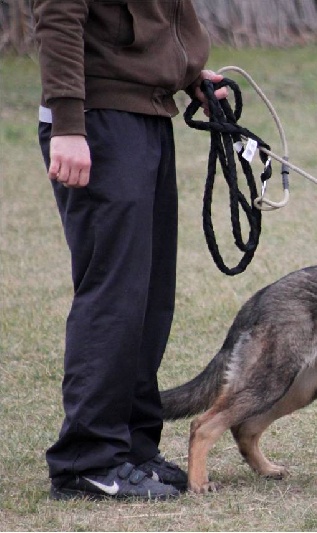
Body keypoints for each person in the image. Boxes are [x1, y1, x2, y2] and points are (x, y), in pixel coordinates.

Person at [34, 0, 227, 500]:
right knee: (114, 294)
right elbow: (58, 17)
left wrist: (187, 75)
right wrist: (68, 125)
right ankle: (88, 461)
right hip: (96, 119)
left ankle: (133, 448)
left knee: (149, 297)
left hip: (145, 114)